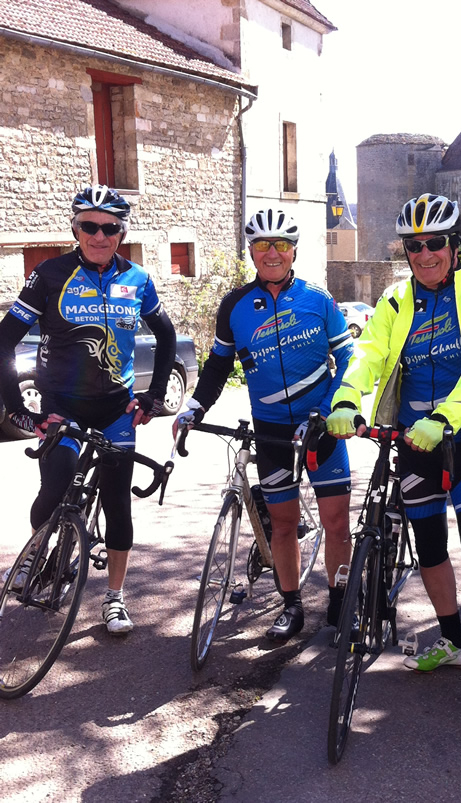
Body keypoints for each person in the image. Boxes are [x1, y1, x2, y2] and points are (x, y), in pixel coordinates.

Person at [326, 193, 461, 726]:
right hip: (411, 442)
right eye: (414, 246)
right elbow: (369, 352)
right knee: (430, 546)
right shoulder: (396, 300)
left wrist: (448, 416)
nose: (425, 254)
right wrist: (347, 397)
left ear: (454, 245)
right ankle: (454, 641)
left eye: (435, 243)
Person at [0, 185, 177, 634]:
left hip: (117, 408)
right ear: (75, 229)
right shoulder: (50, 274)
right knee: (56, 482)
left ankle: (114, 599)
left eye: (110, 227)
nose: (99, 235)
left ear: (121, 232)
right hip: (63, 405)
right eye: (89, 226)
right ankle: (39, 553)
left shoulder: (137, 278)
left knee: (119, 503)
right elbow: (4, 339)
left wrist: (154, 396)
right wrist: (22, 409)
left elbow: (166, 334)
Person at [173, 207, 354, 641]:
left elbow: (349, 358)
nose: (272, 253)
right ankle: (291, 605)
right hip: (271, 431)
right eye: (262, 245)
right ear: (251, 252)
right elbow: (217, 368)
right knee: (285, 523)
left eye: (281, 245)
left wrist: (331, 411)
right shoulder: (235, 306)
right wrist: (193, 407)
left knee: (336, 523)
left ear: (294, 251)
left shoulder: (319, 300)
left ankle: (340, 600)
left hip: (321, 429)